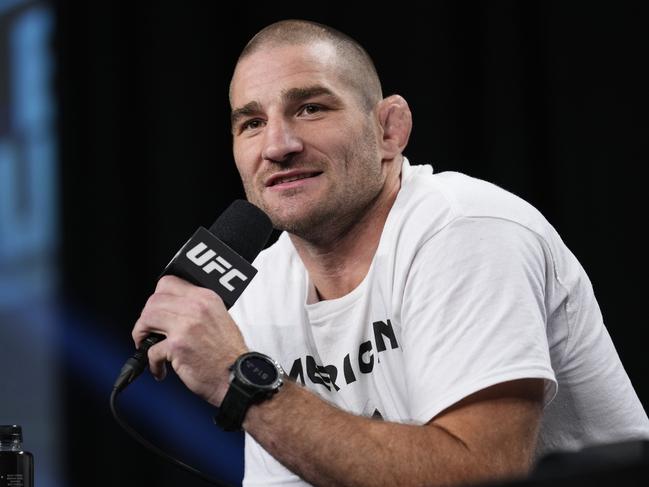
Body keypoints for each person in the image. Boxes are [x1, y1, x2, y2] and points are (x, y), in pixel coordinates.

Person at [132, 19, 649, 487]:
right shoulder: (259, 290)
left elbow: (483, 476)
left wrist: (239, 380)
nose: (277, 145)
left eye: (310, 108)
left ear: (389, 130)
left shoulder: (465, 229)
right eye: (251, 123)